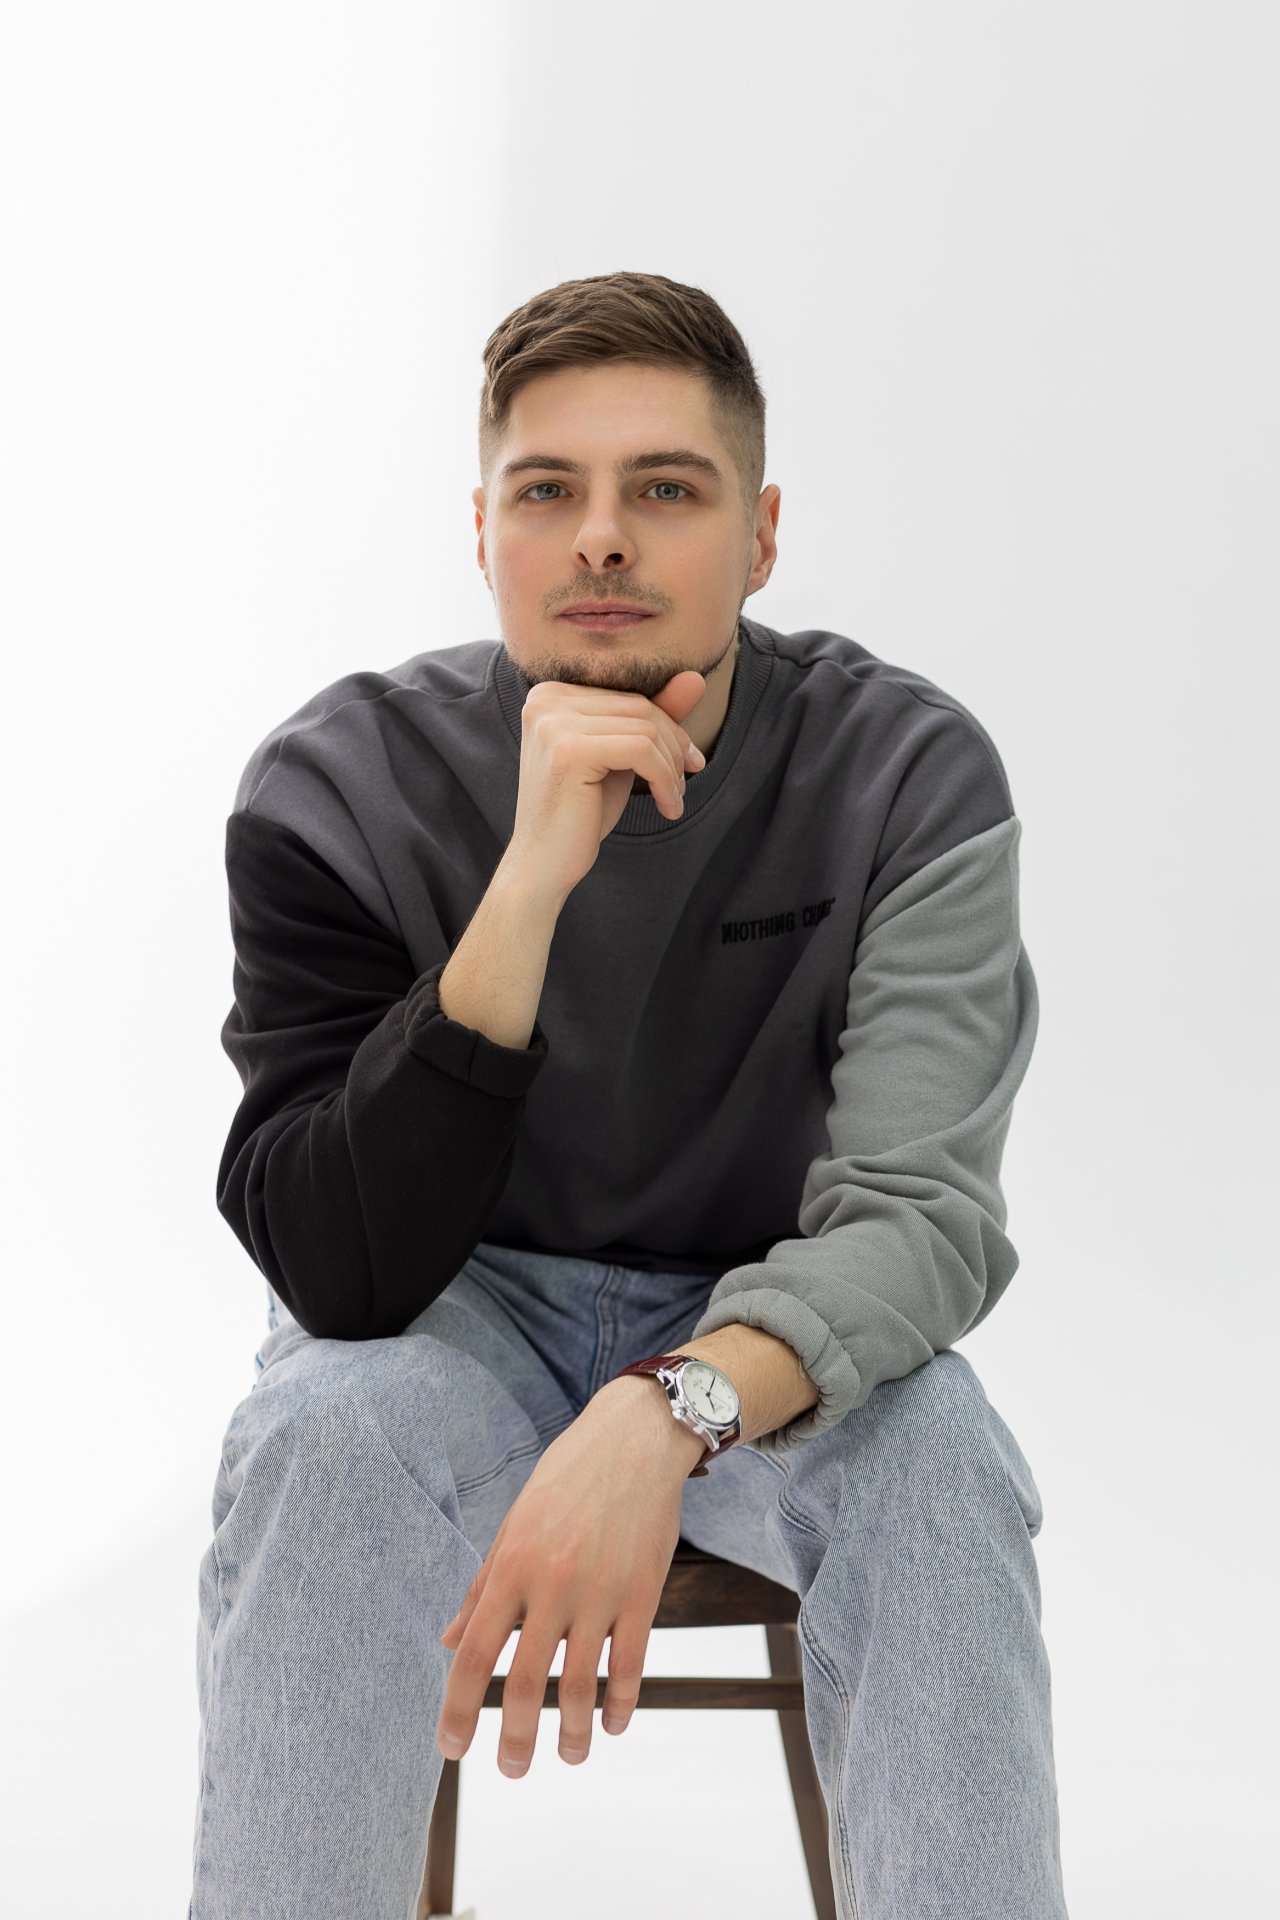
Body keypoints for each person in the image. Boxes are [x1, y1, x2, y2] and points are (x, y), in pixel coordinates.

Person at [190, 269, 1070, 1919]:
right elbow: (336, 1268)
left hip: (765, 1319)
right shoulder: (337, 787)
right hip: (447, 1319)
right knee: (322, 1436)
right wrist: (531, 879)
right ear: (483, 531)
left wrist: (666, 1411)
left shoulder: (907, 775)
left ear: (763, 535)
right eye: (549, 492)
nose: (602, 538)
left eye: (666, 490)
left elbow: (923, 1218)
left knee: (940, 1456)